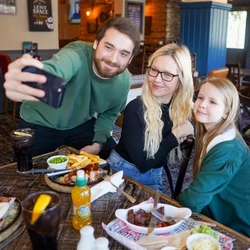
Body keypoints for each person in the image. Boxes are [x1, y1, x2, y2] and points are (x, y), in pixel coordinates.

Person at [3, 17, 141, 158]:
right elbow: (58, 67)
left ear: (130, 59)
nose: (113, 59)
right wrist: (29, 75)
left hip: (79, 124)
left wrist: (98, 143)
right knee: (24, 170)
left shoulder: (123, 81)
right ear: (96, 43)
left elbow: (110, 114)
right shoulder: (76, 54)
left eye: (123, 53)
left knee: (112, 156)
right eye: (108, 47)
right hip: (39, 120)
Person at [107, 43, 195, 191]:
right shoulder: (136, 108)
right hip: (122, 171)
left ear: (180, 81)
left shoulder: (180, 108)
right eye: (154, 70)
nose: (157, 80)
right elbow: (143, 164)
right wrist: (176, 135)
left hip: (155, 173)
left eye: (167, 74)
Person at [178, 78, 250, 237]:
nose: (202, 104)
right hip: (217, 211)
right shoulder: (212, 132)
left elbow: (194, 200)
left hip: (236, 228)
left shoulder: (227, 149)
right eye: (201, 97)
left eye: (213, 102)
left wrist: (171, 207)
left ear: (227, 112)